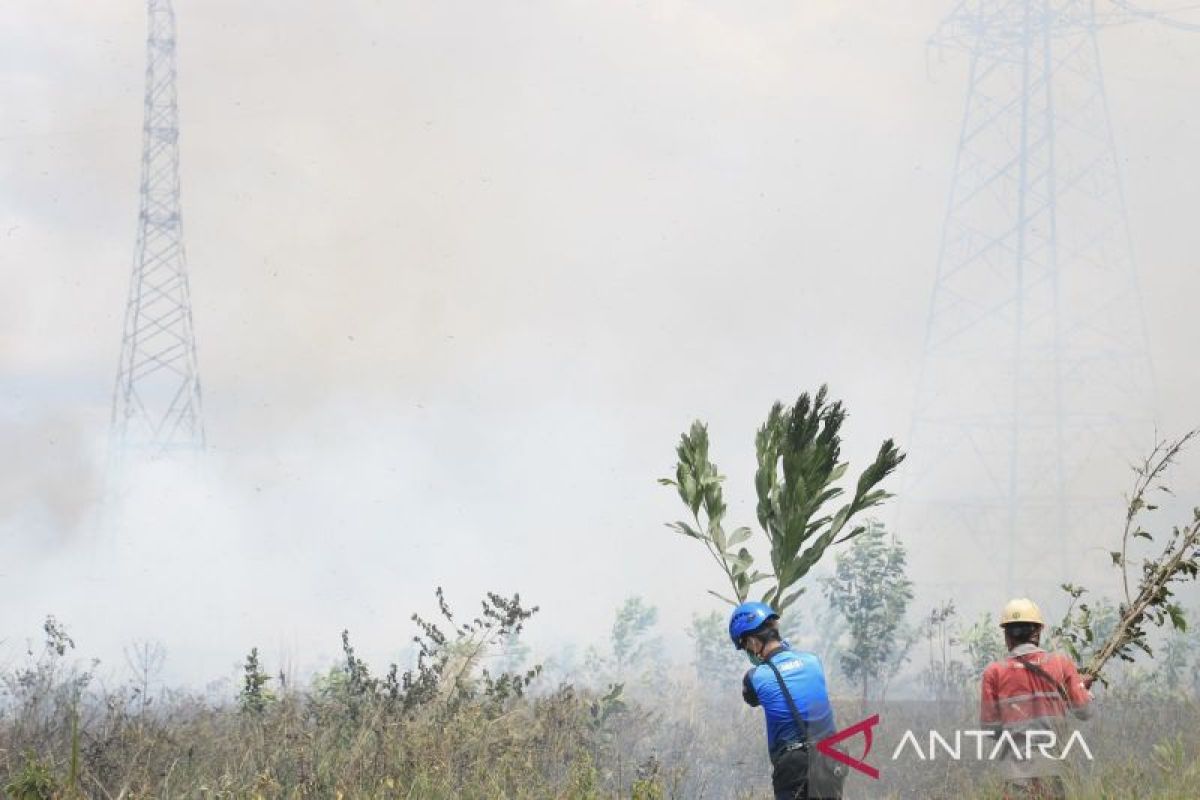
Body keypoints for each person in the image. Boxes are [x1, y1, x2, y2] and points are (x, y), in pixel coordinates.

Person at [980, 598, 1094, 800]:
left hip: (1015, 773)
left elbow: (990, 729)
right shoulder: (1061, 664)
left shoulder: (994, 673)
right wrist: (1080, 690)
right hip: (1055, 769)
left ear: (1007, 635)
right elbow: (1084, 712)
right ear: (1038, 631)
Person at [731, 601, 842, 800]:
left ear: (754, 642)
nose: (749, 651)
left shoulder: (755, 677)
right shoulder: (813, 661)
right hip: (831, 758)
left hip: (794, 768)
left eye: (746, 645)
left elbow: (751, 698)